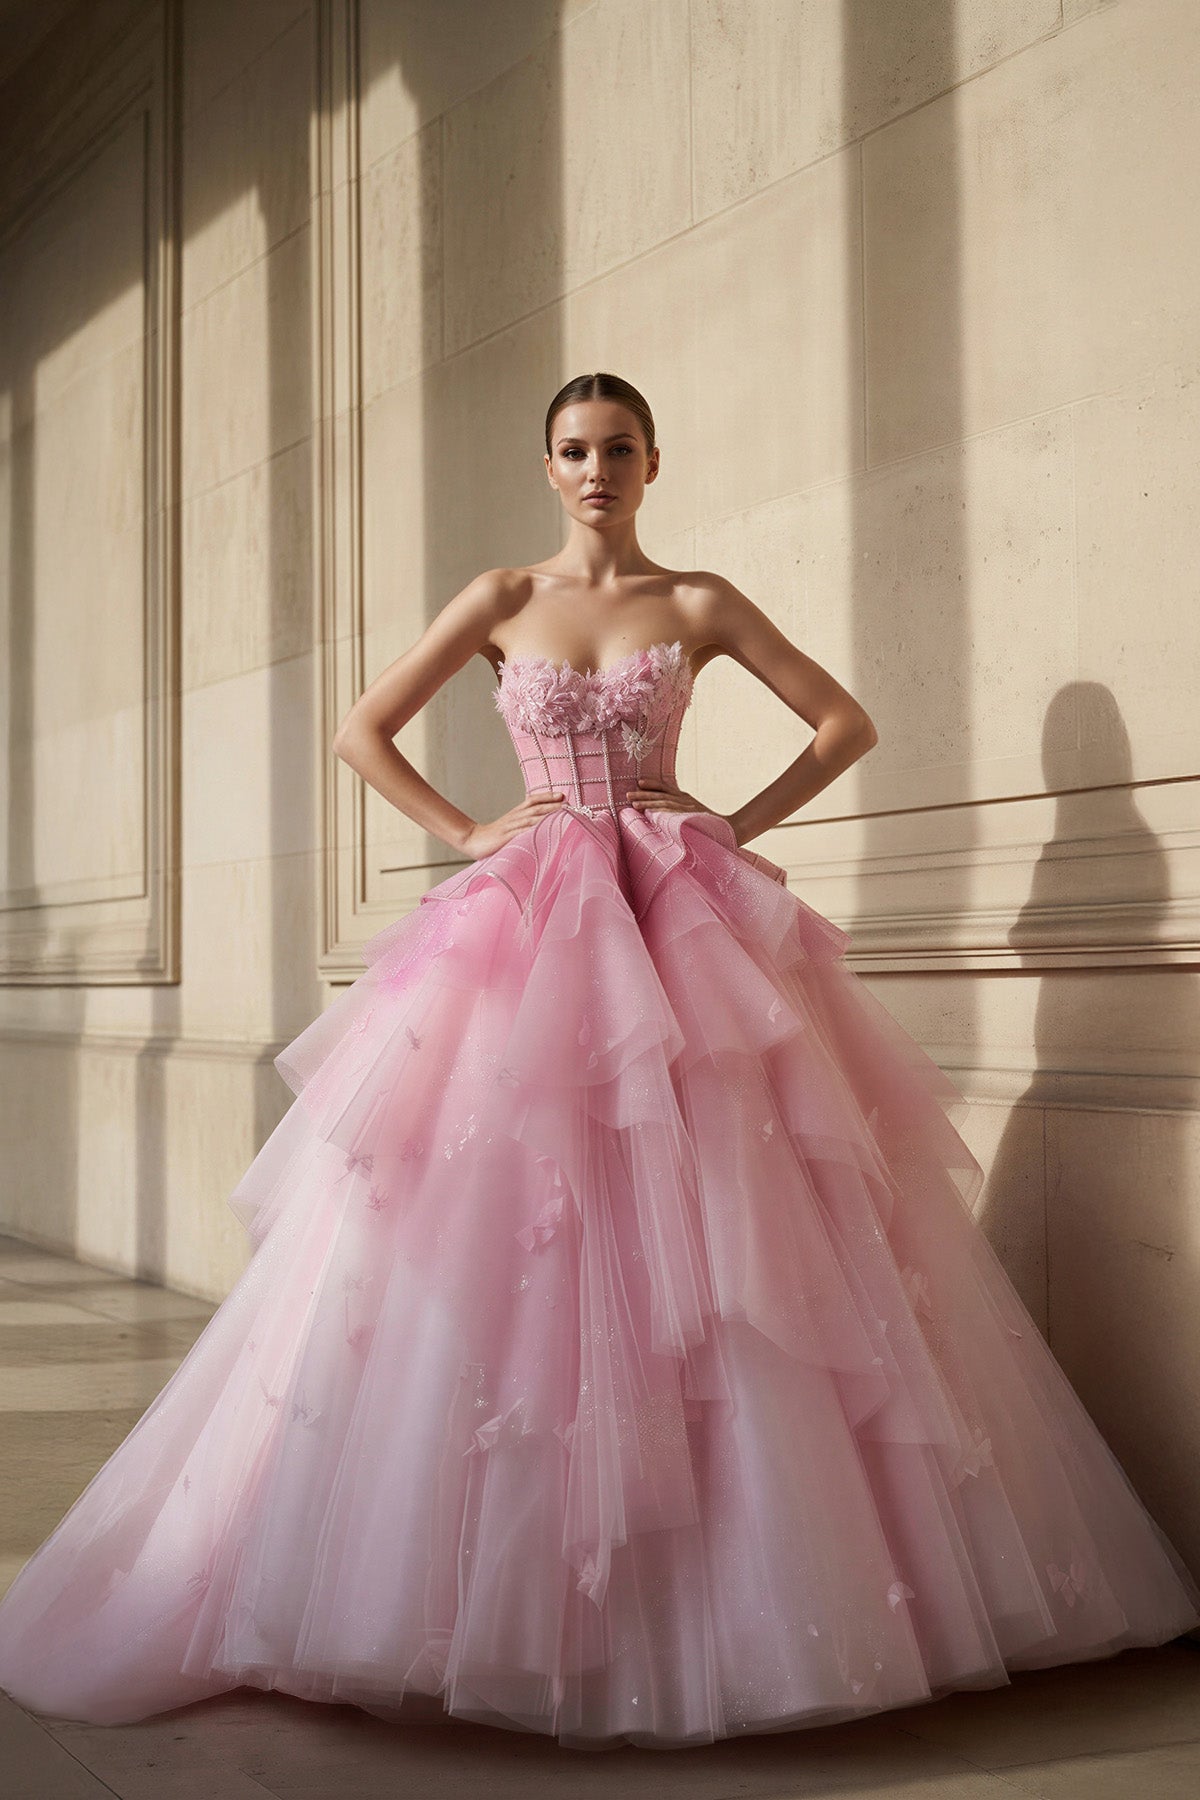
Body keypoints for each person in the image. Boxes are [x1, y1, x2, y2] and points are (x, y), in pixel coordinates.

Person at [0, 371, 1195, 1751]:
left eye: (618, 448)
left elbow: (844, 724)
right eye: (573, 449)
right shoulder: (502, 597)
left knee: (725, 1211)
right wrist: (469, 834)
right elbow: (359, 731)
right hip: (536, 924)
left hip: (677, 915)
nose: (595, 469)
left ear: (653, 462)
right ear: (549, 464)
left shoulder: (698, 602)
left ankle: (737, 1587)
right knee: (519, 1204)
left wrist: (731, 823)